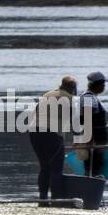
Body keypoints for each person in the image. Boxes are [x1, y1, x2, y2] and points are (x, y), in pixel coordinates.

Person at [30, 75, 79, 203]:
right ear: (73, 88)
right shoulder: (69, 99)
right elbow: (75, 124)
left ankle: (43, 199)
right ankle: (56, 199)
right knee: (56, 168)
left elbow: (36, 110)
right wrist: (79, 140)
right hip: (52, 134)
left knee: (45, 166)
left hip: (34, 132)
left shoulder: (48, 94)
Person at [77, 71, 108, 178]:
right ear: (98, 85)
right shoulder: (88, 98)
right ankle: (91, 183)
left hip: (97, 139)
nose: (104, 87)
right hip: (94, 139)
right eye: (103, 85)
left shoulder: (92, 97)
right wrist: (90, 140)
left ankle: (92, 179)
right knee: (92, 165)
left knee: (96, 164)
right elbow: (87, 120)